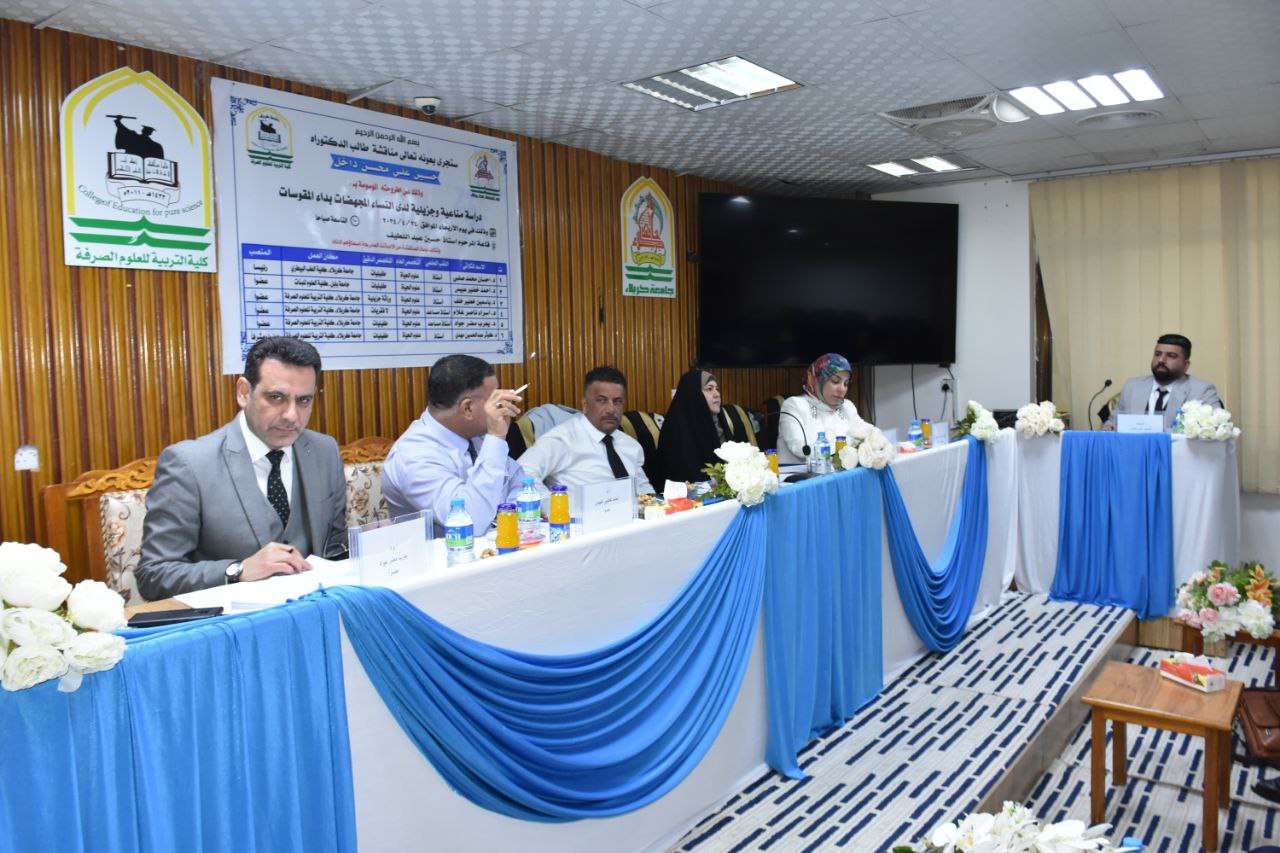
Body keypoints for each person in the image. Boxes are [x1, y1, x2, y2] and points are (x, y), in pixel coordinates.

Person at [137, 336, 349, 600]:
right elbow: (153, 575)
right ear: (244, 392)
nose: (292, 415)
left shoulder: (324, 451)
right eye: (276, 397)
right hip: (232, 620)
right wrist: (238, 570)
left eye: (304, 401)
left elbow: (336, 548)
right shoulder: (188, 464)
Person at [382, 354, 525, 533]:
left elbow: (519, 485)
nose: (501, 407)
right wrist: (496, 438)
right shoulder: (413, 456)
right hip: (441, 549)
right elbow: (470, 521)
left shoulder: (474, 435)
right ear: (467, 408)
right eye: (494, 401)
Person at [518, 366, 654, 494]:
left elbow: (644, 490)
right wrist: (552, 505)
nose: (611, 409)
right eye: (602, 400)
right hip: (579, 511)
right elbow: (521, 474)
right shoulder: (562, 439)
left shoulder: (631, 445)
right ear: (585, 405)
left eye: (617, 401)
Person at [655, 368, 752, 484]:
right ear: (693, 393)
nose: (717, 394)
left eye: (717, 389)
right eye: (709, 389)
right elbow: (685, 479)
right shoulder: (676, 432)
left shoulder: (719, 424)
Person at [1105, 333, 1221, 431]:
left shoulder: (1202, 391)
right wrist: (1109, 427)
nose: (1161, 360)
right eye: (1158, 354)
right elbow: (1114, 422)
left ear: (1186, 365)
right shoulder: (1133, 386)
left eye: (1171, 356)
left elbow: (1214, 428)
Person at [777, 353, 873, 465]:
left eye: (846, 384)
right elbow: (801, 449)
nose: (842, 389)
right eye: (835, 381)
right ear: (816, 380)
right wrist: (852, 443)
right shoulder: (794, 405)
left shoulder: (846, 406)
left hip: (839, 473)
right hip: (799, 474)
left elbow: (867, 432)